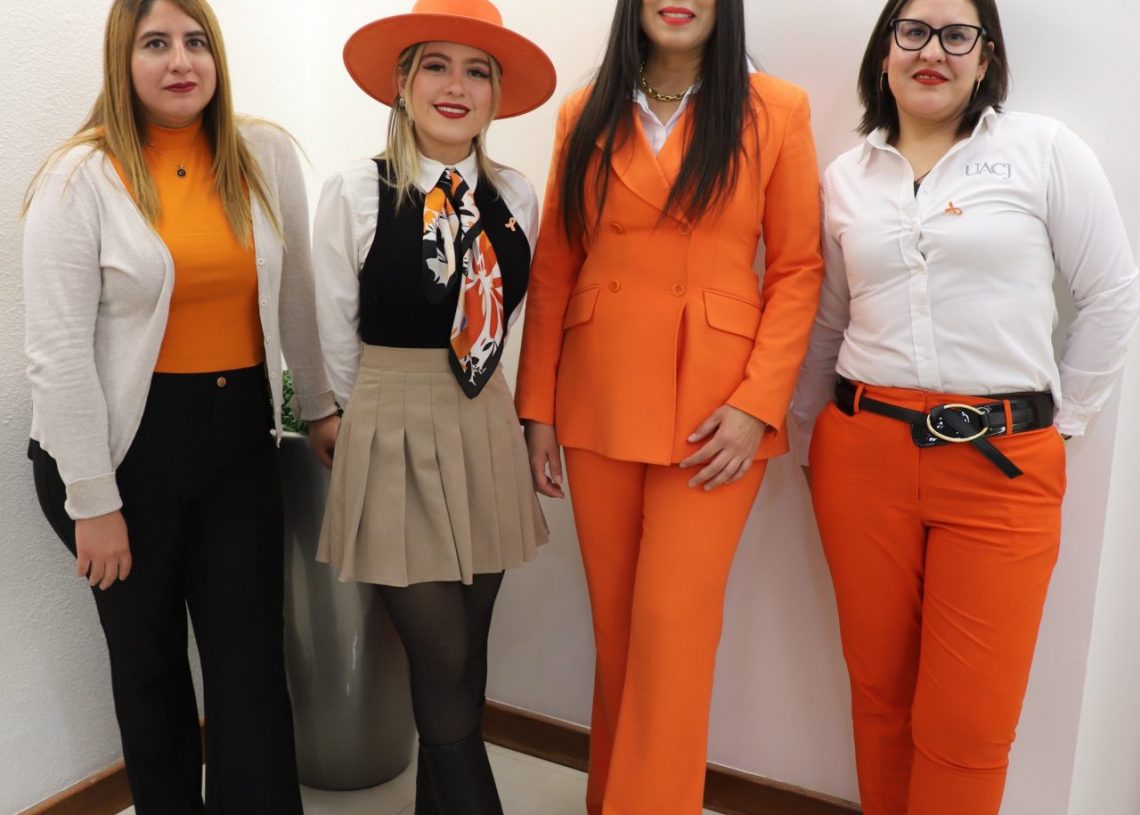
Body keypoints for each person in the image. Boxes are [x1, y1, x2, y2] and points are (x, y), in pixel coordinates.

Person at [791, 1, 1140, 813]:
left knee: (970, 724)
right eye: (913, 31)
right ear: (885, 52)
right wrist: (807, 440)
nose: (933, 52)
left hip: (1002, 466)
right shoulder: (845, 179)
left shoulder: (1042, 151)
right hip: (861, 456)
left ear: (986, 58)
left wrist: (1061, 427)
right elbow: (828, 323)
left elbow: (1112, 294)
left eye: (958, 36)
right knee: (880, 694)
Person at [22, 0, 338, 812]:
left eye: (196, 42)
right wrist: (93, 500)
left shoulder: (264, 155)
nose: (180, 61)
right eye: (155, 44)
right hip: (116, 452)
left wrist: (320, 406)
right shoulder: (78, 177)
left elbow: (297, 292)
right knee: (150, 664)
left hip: (237, 440)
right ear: (122, 62)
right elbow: (57, 354)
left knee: (249, 663)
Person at [515, 1, 824, 811]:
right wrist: (536, 406)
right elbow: (556, 263)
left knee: (671, 631)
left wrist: (758, 404)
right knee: (619, 632)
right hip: (598, 392)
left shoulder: (775, 108)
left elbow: (797, 268)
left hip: (718, 411)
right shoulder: (585, 111)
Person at [312, 1, 555, 811]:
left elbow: (507, 321)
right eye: (436, 66)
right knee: (441, 655)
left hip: (484, 422)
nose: (456, 87)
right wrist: (353, 419)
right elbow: (332, 324)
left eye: (476, 70)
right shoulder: (356, 190)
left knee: (468, 654)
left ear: (495, 93)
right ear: (403, 83)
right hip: (391, 421)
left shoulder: (516, 194)